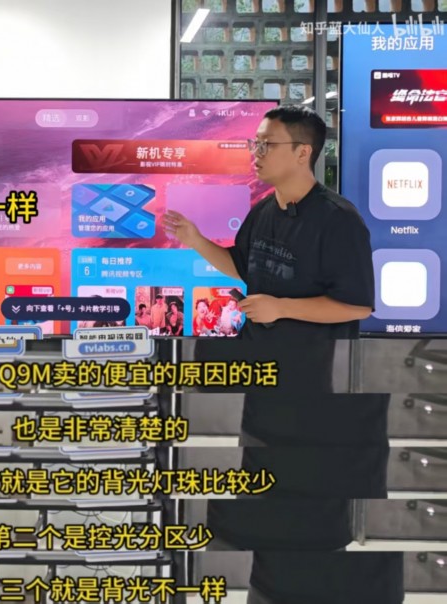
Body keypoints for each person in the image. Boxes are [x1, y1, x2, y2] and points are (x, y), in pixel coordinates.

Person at [164, 105, 402, 604]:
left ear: (301, 152)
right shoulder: (264, 211)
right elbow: (243, 266)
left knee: (314, 515)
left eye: (266, 144)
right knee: (264, 504)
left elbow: (358, 304)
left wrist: (281, 307)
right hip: (263, 386)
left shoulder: (338, 221)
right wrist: (196, 241)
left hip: (318, 391)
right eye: (254, 143)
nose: (255, 153)